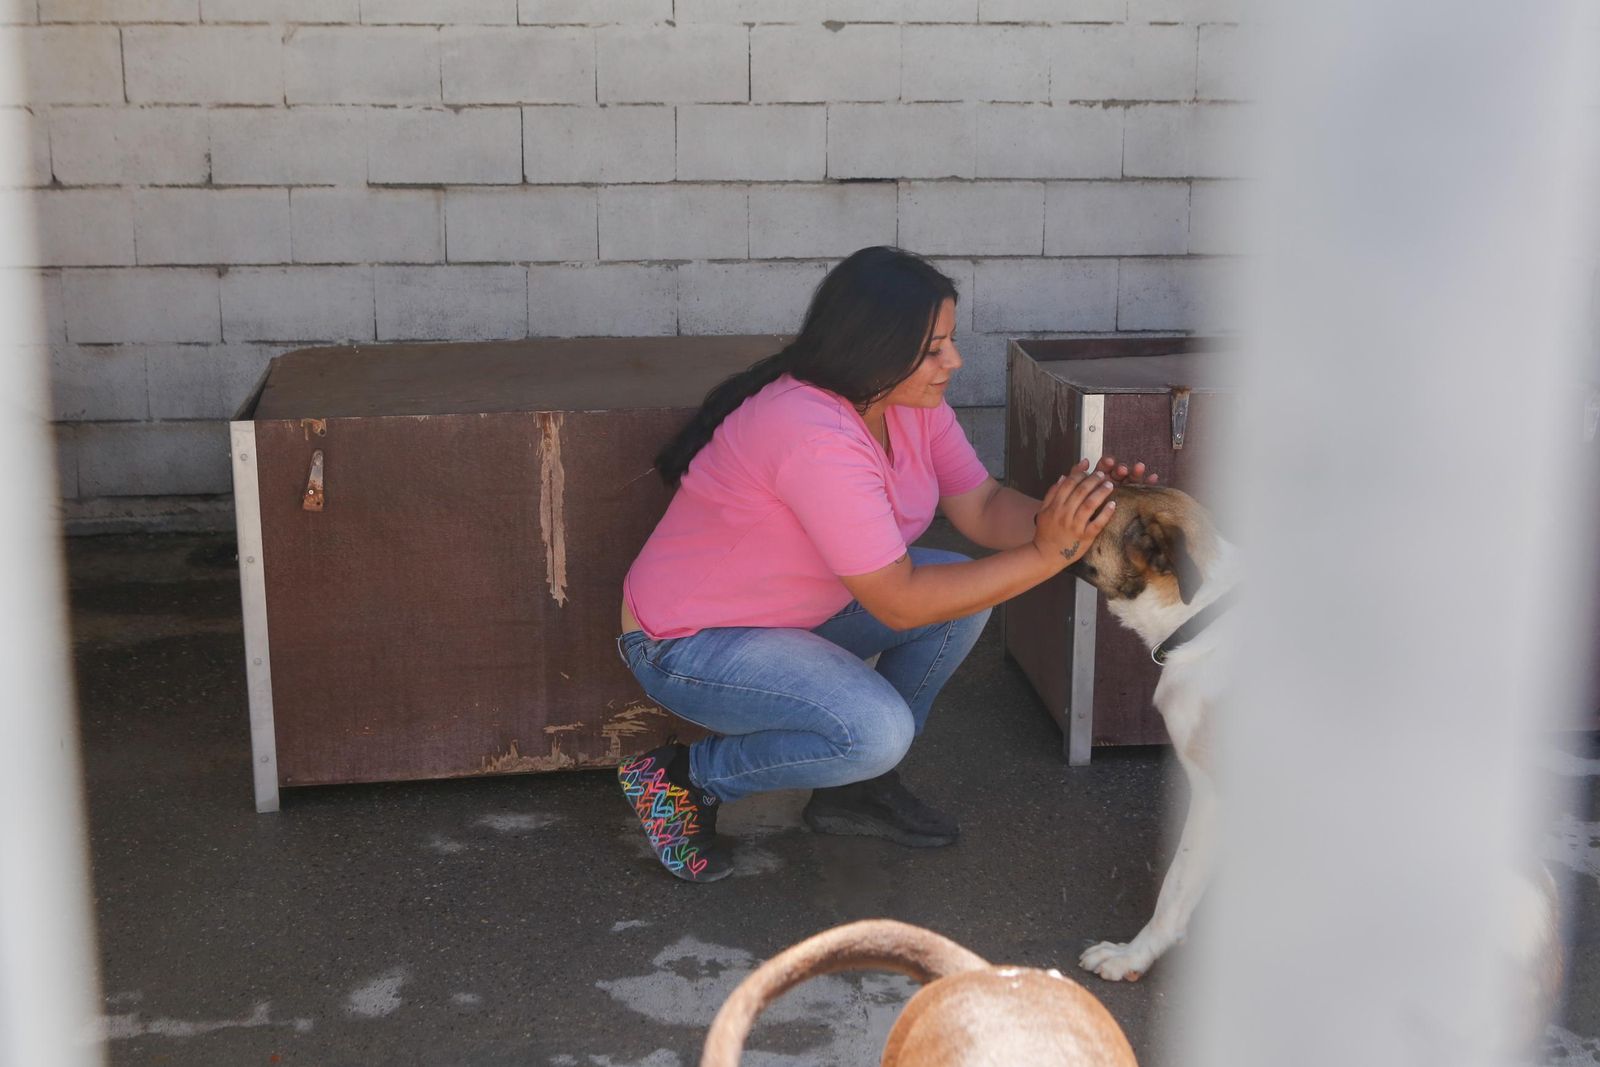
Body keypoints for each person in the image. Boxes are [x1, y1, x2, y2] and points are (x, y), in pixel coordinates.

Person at [614, 246, 1154, 882]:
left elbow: (983, 507)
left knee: (960, 603)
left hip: (794, 615)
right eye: (933, 349)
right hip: (688, 642)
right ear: (872, 347)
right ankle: (687, 780)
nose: (954, 361)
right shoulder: (812, 434)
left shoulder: (904, 405)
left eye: (950, 341)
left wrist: (1091, 519)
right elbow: (899, 602)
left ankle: (853, 790)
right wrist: (1051, 550)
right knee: (875, 732)